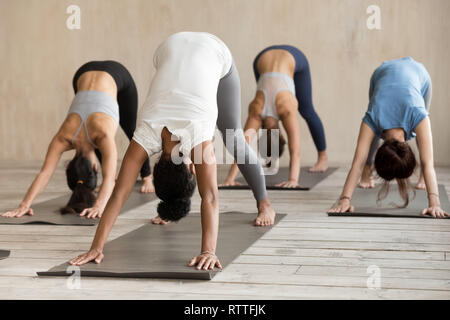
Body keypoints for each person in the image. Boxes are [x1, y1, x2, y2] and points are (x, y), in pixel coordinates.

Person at [68, 32, 276, 271]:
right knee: (233, 139)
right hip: (169, 46)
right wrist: (97, 246)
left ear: (191, 168)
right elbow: (118, 194)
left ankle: (265, 204)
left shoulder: (199, 141)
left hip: (214, 51)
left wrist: (209, 251)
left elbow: (209, 197)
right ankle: (260, 203)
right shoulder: (145, 135)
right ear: (157, 167)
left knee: (234, 138)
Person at [1, 61, 153, 220]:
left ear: (95, 167)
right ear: (68, 166)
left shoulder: (103, 136)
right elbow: (44, 173)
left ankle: (147, 177)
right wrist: (24, 204)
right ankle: (146, 178)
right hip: (82, 73)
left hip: (118, 74)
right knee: (107, 144)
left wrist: (99, 205)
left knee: (133, 131)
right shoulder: (62, 138)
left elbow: (110, 179)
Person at [328, 57, 448, 218]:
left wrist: (435, 203)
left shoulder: (419, 115)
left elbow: (428, 163)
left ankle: (422, 178)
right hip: (381, 73)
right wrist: (344, 200)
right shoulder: (372, 118)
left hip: (419, 75)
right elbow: (358, 162)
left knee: (424, 137)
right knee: (372, 133)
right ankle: (367, 173)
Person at [221, 45, 328, 188]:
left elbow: (295, 150)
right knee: (305, 110)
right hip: (262, 59)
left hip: (289, 56)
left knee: (306, 109)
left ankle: (323, 158)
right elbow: (242, 146)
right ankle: (321, 156)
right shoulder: (256, 111)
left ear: (281, 136)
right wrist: (230, 178)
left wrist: (293, 179)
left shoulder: (285, 110)